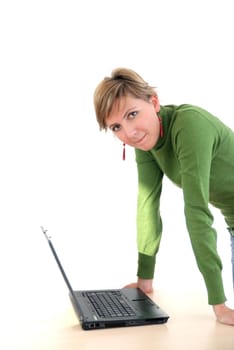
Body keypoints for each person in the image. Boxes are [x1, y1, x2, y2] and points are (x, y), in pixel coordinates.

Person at [93, 67, 234, 326]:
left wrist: (219, 304)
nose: (130, 133)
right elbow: (147, 204)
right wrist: (144, 280)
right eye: (116, 127)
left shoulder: (190, 125)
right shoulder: (146, 143)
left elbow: (196, 211)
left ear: (154, 102)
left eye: (132, 114)